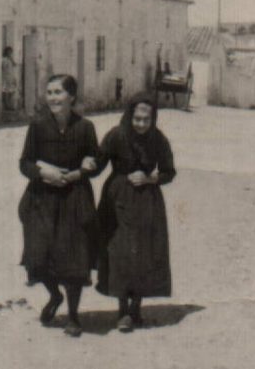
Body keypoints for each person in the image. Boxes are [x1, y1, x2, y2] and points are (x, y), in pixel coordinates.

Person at [18, 74, 99, 337]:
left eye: (58, 92)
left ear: (71, 97)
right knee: (39, 254)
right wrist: (44, 173)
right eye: (49, 92)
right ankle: (54, 296)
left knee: (74, 258)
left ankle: (73, 317)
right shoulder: (38, 127)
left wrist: (87, 166)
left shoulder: (86, 127)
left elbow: (94, 161)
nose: (52, 97)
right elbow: (25, 163)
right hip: (43, 199)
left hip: (74, 199)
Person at [95, 92, 176, 332]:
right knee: (119, 253)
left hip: (146, 202)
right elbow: (98, 163)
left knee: (143, 253)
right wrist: (85, 165)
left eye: (146, 119)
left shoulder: (158, 140)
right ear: (130, 115)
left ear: (153, 119)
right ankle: (123, 310)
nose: (140, 124)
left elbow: (169, 172)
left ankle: (136, 308)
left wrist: (151, 178)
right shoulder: (116, 135)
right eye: (137, 118)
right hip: (117, 199)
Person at [2, 46, 17, 111]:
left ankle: (10, 105)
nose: (10, 53)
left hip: (11, 77)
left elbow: (14, 65)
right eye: (9, 52)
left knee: (12, 91)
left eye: (11, 52)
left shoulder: (10, 59)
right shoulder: (4, 60)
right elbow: (3, 68)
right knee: (6, 91)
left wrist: (11, 59)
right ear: (6, 52)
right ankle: (6, 106)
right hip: (6, 77)